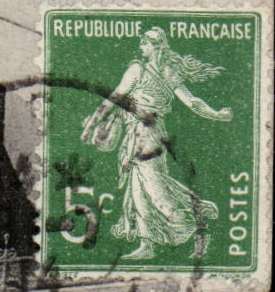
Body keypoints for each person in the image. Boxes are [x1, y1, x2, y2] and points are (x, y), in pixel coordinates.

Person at [80, 28, 232, 260]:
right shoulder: (140, 69)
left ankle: (198, 229)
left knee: (155, 190)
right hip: (136, 135)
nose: (141, 47)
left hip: (148, 135)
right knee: (138, 190)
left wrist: (217, 114)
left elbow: (192, 102)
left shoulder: (155, 72)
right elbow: (114, 98)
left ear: (156, 46)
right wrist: (91, 124)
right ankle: (146, 244)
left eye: (145, 43)